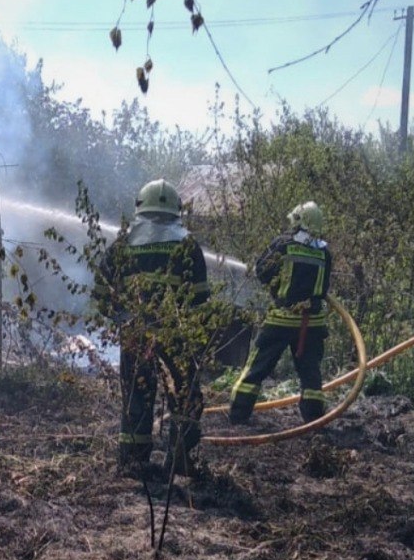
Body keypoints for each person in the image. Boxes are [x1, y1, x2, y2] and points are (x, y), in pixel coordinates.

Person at [93, 178, 210, 479]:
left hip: (135, 336)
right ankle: (180, 462)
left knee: (137, 398)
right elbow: (200, 299)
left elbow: (102, 296)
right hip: (176, 338)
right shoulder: (187, 245)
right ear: (176, 210)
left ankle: (133, 463)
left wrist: (124, 320)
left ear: (140, 209)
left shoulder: (122, 245)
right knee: (185, 397)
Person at [228, 201, 332, 426]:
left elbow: (262, 270)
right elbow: (324, 290)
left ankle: (238, 415)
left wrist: (278, 289)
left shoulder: (282, 244)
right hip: (312, 323)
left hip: (282, 320)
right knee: (311, 374)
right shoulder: (325, 252)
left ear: (297, 221)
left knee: (257, 367)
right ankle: (314, 420)